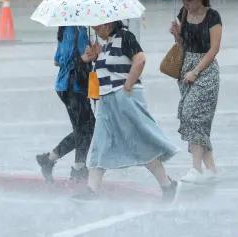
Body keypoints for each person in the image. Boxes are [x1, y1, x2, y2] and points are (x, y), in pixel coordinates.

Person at [72, 21, 180, 202]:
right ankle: (92, 189)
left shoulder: (125, 37)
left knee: (140, 143)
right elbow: (95, 72)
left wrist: (128, 85)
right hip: (106, 102)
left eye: (99, 27)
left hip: (125, 99)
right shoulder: (103, 45)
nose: (96, 31)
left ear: (109, 23)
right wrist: (89, 58)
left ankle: (168, 186)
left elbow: (140, 59)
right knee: (100, 144)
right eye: (94, 28)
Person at [169, 0, 222, 184]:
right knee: (194, 119)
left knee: (192, 114)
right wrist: (176, 35)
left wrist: (196, 70)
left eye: (189, 1)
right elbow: (183, 45)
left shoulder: (213, 16)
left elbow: (214, 48)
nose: (186, 4)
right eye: (184, 1)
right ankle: (211, 169)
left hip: (205, 71)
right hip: (186, 70)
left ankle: (196, 168)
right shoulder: (183, 14)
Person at [36, 26, 95, 183]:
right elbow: (79, 58)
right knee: (86, 128)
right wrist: (87, 55)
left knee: (83, 129)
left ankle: (51, 160)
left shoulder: (64, 30)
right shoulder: (78, 31)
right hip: (75, 87)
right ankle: (77, 168)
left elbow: (57, 60)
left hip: (65, 86)